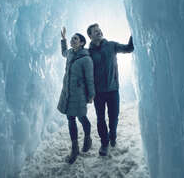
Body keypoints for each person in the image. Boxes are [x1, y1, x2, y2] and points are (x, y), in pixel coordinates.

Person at [87, 23, 134, 156]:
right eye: (95, 31)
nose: (99, 32)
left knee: (113, 117)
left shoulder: (112, 45)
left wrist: (135, 30)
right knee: (100, 119)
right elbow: (73, 56)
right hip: (98, 93)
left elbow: (129, 48)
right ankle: (104, 143)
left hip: (113, 90)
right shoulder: (88, 52)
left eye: (100, 30)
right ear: (90, 36)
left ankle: (112, 135)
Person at [57, 27, 96, 164]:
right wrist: (64, 39)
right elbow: (63, 52)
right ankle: (75, 149)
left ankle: (88, 138)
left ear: (81, 43)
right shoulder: (69, 53)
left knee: (82, 118)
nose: (73, 40)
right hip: (67, 92)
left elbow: (90, 78)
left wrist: (91, 94)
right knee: (70, 119)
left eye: (75, 38)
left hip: (79, 94)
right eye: (72, 38)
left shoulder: (86, 59)